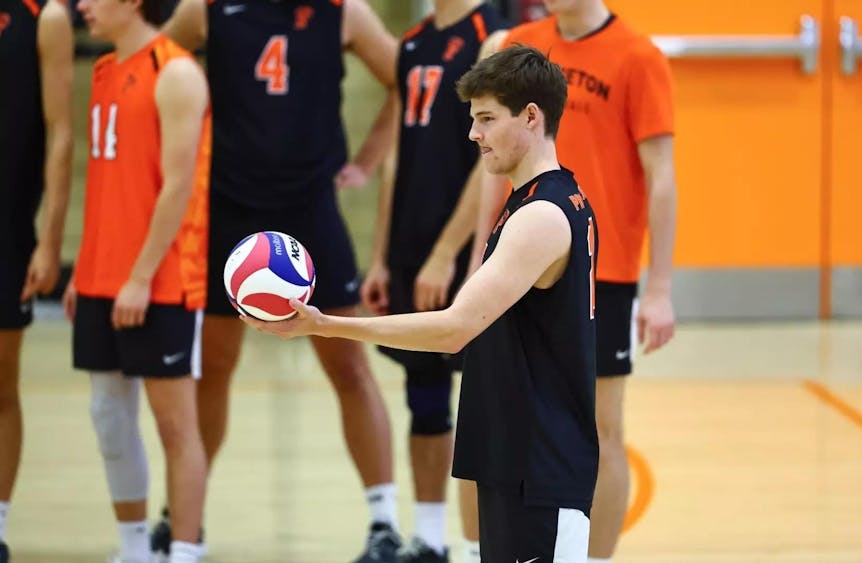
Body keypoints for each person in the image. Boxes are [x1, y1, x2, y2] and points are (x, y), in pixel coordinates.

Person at [247, 44, 599, 563]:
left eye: (485, 118)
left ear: (531, 117)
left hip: (539, 471)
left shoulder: (541, 217)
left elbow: (454, 328)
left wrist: (325, 325)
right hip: (520, 458)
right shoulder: (540, 200)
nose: (473, 133)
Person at [161, 0, 402, 560]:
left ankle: (384, 521)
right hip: (229, 209)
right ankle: (182, 520)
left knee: (348, 362)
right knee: (213, 366)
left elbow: (407, 82)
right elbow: (154, 66)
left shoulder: (342, 13)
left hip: (309, 210)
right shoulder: (207, 10)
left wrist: (367, 160)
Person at [472, 2, 678, 560]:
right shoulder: (521, 41)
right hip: (518, 263)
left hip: (600, 270)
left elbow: (662, 177)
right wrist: (473, 262)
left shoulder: (638, 56)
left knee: (601, 428)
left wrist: (657, 289)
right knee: (501, 417)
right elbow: (489, 169)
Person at [63, 0, 210, 561]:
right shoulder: (104, 70)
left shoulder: (174, 72)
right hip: (103, 274)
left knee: (176, 424)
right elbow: (106, 185)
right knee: (107, 413)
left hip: (163, 279)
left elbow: (177, 186)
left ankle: (186, 550)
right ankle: (133, 548)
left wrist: (141, 276)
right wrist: (84, 268)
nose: (83, 7)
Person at [361, 1, 505, 561]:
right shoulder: (415, 41)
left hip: (466, 248)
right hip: (409, 243)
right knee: (423, 397)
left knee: (479, 404)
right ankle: (427, 538)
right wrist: (379, 256)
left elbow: (490, 158)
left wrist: (448, 252)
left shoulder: (491, 35)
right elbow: (396, 156)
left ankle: (475, 547)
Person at [0, 0, 73, 561]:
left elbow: (61, 134)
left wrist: (49, 242)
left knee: (2, 386)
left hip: (7, 231)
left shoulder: (42, 16)